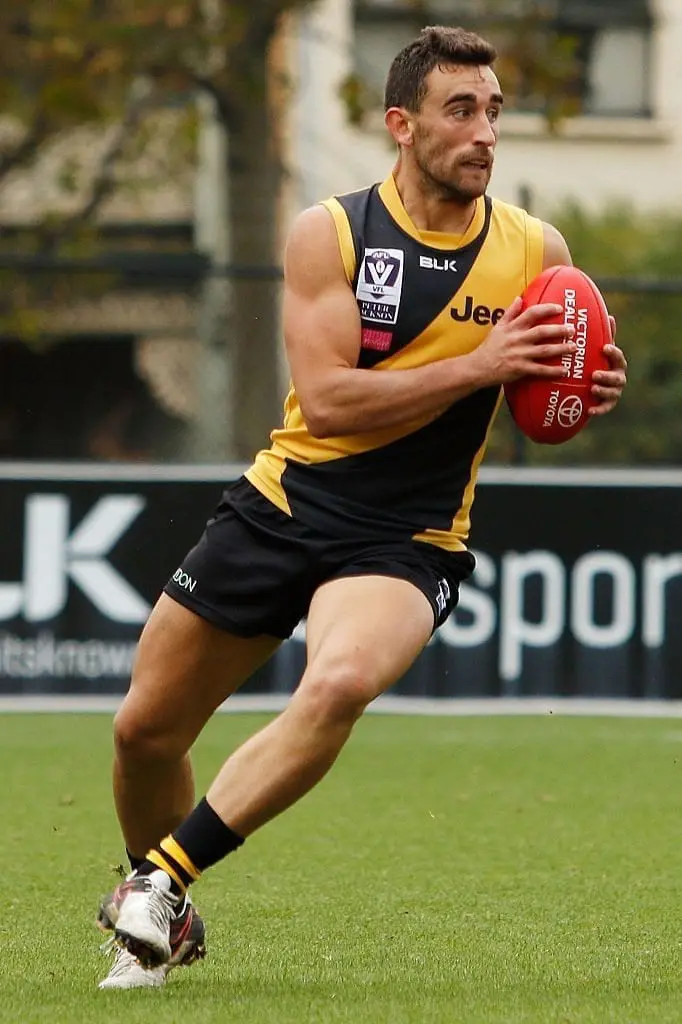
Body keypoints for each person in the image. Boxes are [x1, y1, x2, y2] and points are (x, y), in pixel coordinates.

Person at [96, 24, 627, 989]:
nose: (484, 133)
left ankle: (163, 883)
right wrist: (485, 362)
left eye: (494, 112)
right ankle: (157, 909)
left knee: (338, 683)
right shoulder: (331, 232)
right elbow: (333, 401)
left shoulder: (536, 252)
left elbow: (544, 401)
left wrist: (578, 389)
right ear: (401, 124)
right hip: (287, 501)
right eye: (459, 110)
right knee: (144, 732)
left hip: (409, 534)